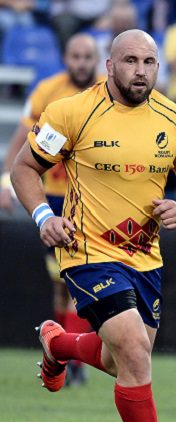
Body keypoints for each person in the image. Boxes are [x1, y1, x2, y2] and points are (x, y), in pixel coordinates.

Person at [10, 29, 176, 422]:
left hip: (145, 256)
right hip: (87, 251)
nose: (141, 71)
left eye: (149, 62)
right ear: (110, 66)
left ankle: (58, 344)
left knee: (120, 361)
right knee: (134, 351)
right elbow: (23, 168)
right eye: (131, 61)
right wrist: (43, 217)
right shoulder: (71, 112)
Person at [1, 33, 102, 385]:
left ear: (97, 59)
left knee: (76, 281)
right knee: (60, 285)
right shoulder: (48, 91)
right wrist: (6, 179)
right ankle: (61, 349)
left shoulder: (107, 93)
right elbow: (24, 140)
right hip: (52, 198)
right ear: (65, 58)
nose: (81, 63)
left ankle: (71, 362)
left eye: (87, 56)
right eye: (75, 56)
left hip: (88, 199)